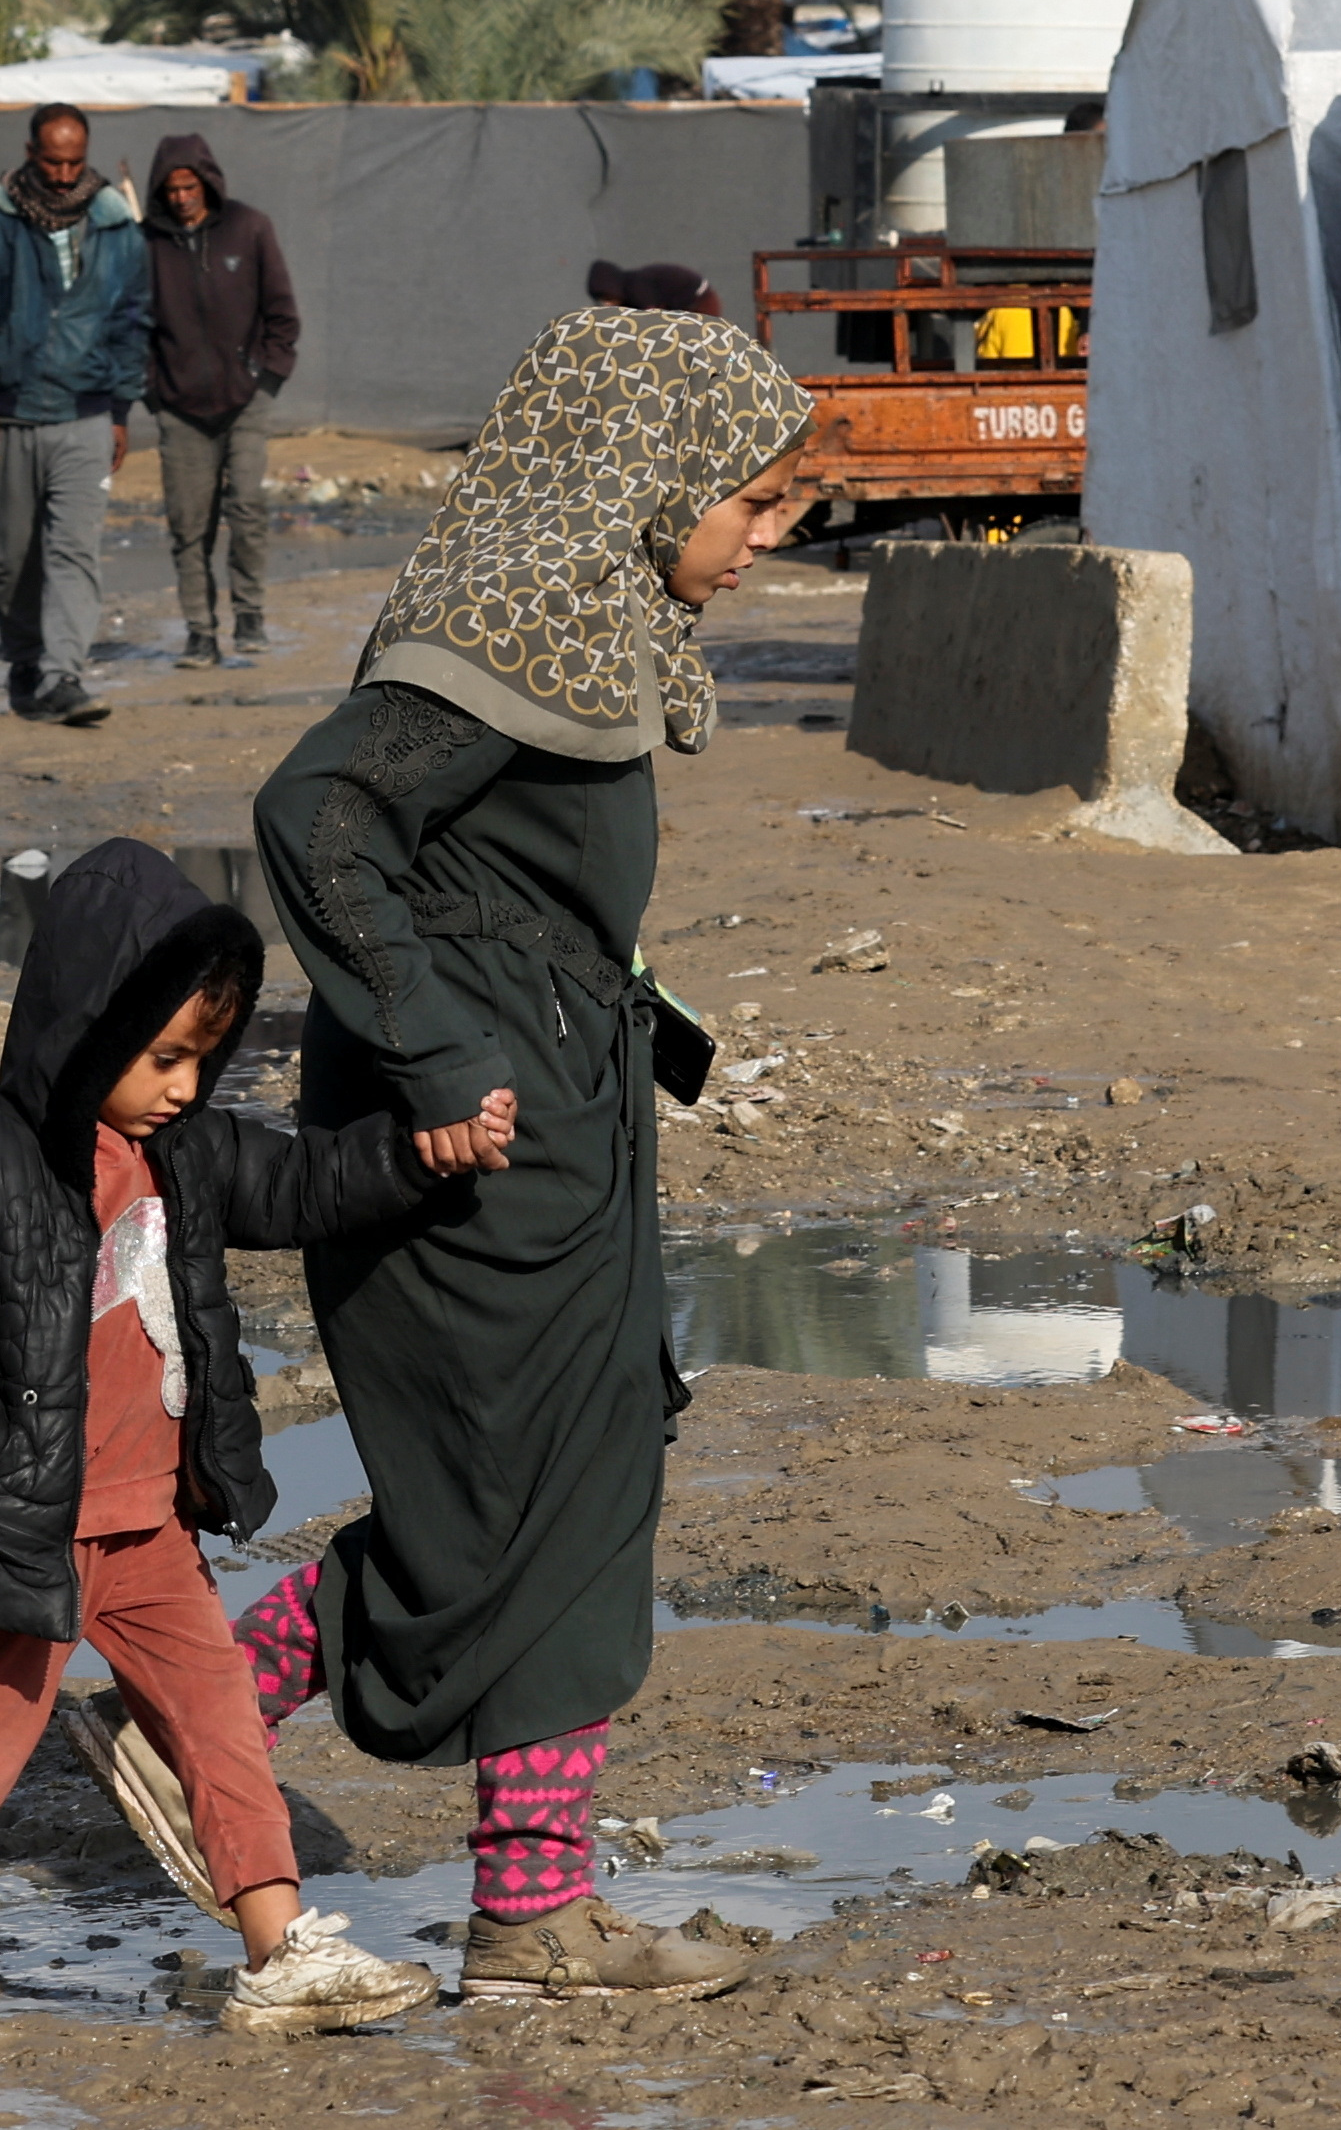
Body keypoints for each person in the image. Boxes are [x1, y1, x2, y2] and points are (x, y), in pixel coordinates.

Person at [87, 308, 813, 2001]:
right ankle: (197, 1715)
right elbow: (316, 819)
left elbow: (521, 892)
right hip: (472, 1147)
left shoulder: (587, 619)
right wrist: (434, 1046)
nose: (765, 542)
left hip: (562, 1129)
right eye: (755, 504)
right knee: (498, 1511)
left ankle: (530, 1908)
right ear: (655, 477)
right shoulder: (511, 623)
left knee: (579, 1483)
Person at [0, 837, 511, 2036]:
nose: (184, 1083)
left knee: (217, 1716)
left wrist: (417, 1155)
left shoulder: (188, 1155)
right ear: (83, 1028)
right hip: (29, 1524)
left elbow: (306, 1184)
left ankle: (278, 1948)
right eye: (162, 1056)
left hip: (149, 1522)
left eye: (201, 1058)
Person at [0, 101, 148, 727]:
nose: (63, 175)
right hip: (10, 415)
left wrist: (120, 409)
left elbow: (132, 322)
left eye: (74, 162)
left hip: (85, 414)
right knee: (10, 559)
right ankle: (27, 660)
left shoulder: (115, 226)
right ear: (31, 154)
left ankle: (64, 676)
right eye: (52, 162)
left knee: (74, 550)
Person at [145, 132, 300, 669]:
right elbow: (131, 326)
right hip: (180, 408)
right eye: (171, 189)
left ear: (207, 182)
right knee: (189, 524)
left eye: (189, 186)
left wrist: (267, 377)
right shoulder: (148, 244)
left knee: (248, 507)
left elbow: (282, 314)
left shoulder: (249, 229)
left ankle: (250, 615)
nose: (181, 197)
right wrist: (155, 392)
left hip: (246, 400)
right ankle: (199, 632)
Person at [586, 259, 725, 317]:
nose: (606, 304)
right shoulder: (633, 287)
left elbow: (651, 320)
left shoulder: (637, 291)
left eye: (608, 298)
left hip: (700, 303)